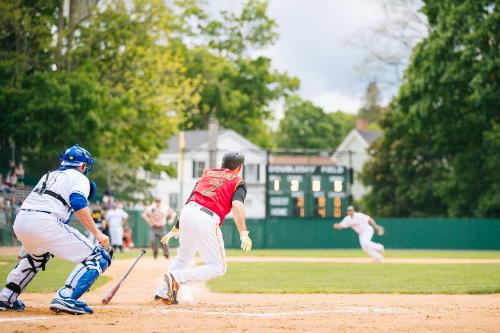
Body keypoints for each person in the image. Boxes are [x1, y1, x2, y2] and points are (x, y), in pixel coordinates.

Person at [0, 144, 111, 314]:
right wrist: (97, 233)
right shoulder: (79, 177)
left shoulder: (49, 175)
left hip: (22, 221)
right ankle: (66, 297)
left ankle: (6, 297)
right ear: (83, 166)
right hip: (45, 221)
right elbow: (78, 203)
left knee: (37, 257)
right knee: (99, 256)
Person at [155, 151, 252, 305]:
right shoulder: (237, 181)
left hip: (187, 212)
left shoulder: (207, 173)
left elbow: (191, 198)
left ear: (222, 163)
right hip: (206, 217)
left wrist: (177, 226)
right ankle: (177, 278)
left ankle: (162, 292)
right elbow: (237, 205)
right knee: (218, 267)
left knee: (183, 257)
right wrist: (243, 233)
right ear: (239, 167)